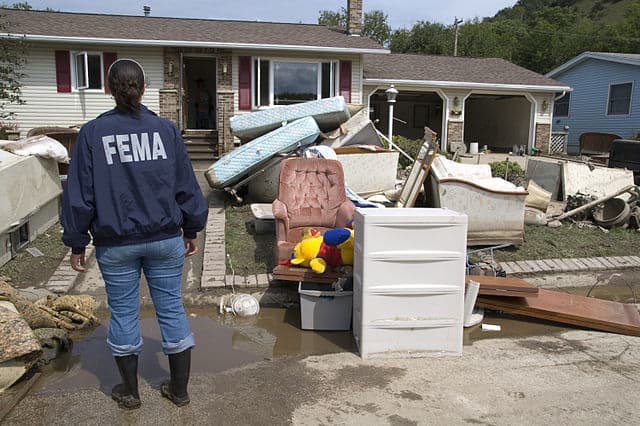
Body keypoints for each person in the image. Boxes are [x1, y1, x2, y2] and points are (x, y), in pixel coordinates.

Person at [61, 59, 208, 410]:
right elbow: (186, 185)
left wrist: (77, 241)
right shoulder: (166, 131)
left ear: (110, 89)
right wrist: (191, 227)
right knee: (171, 309)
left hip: (116, 245)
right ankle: (179, 390)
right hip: (165, 239)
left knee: (125, 314)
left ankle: (130, 393)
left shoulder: (93, 134)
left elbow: (80, 194)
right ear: (143, 89)